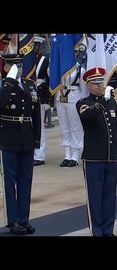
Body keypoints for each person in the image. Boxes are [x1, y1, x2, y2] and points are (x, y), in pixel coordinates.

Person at [76, 67, 117, 236]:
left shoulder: (113, 102)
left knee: (109, 197)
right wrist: (103, 100)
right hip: (94, 158)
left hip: (110, 156)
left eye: (101, 82)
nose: (99, 86)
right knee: (95, 198)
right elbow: (88, 117)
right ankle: (97, 231)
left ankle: (108, 230)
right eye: (95, 83)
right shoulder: (84, 103)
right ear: (88, 85)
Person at [0, 53, 41, 235]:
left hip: (26, 137)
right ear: (6, 67)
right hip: (9, 137)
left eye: (20, 66)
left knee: (26, 180)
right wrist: (9, 81)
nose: (19, 69)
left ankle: (24, 219)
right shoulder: (3, 85)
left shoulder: (29, 85)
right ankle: (13, 220)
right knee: (10, 181)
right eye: (14, 66)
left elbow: (36, 114)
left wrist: (36, 138)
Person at [55, 46, 87, 167]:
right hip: (61, 98)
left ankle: (75, 155)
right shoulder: (57, 67)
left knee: (75, 127)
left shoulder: (80, 69)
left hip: (74, 97)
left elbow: (83, 89)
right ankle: (67, 154)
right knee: (64, 127)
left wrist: (82, 103)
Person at [33, 35, 51, 166]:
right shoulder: (26, 61)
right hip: (28, 96)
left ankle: (39, 155)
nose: (33, 48)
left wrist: (47, 101)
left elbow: (49, 81)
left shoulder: (45, 60)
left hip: (40, 94)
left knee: (40, 126)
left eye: (35, 45)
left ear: (39, 46)